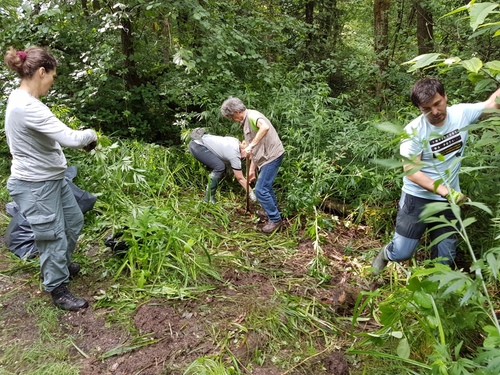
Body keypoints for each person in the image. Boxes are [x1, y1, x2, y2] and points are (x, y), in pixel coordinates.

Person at [372, 77, 500, 275]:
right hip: (417, 199)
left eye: (437, 104)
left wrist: (449, 195)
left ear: (445, 97)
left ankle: (436, 297)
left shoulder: (461, 114)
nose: (435, 112)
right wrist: (446, 192)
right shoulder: (414, 131)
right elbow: (412, 171)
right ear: (419, 109)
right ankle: (385, 255)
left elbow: (492, 104)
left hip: (449, 201)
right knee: (402, 252)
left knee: (444, 260)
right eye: (426, 109)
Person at [4, 46, 98, 310]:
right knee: (52, 235)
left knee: (73, 220)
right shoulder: (26, 106)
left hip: (52, 179)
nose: (52, 83)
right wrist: (91, 134)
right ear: (41, 72)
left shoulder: (24, 100)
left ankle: (61, 265)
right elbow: (71, 138)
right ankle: (57, 288)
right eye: (52, 77)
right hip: (36, 185)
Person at [221, 97, 285, 233]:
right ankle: (272, 212)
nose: (233, 120)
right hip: (265, 157)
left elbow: (265, 127)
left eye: (232, 117)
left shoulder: (252, 116)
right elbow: (255, 149)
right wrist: (251, 170)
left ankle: (275, 220)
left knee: (261, 190)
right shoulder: (246, 122)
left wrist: (251, 145)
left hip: (272, 156)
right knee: (265, 187)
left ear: (237, 111)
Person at [188, 127, 256, 203]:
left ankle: (209, 198)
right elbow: (240, 178)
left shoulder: (235, 141)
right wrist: (251, 193)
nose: (246, 158)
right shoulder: (234, 155)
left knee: (219, 166)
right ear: (246, 150)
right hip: (197, 146)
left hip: (197, 142)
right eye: (249, 156)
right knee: (219, 167)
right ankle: (208, 199)